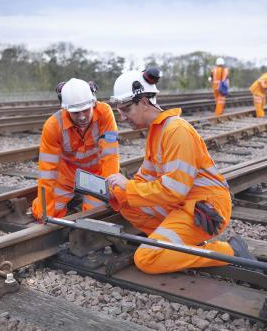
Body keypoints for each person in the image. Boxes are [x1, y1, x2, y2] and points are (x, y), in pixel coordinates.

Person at [106, 67, 255, 275]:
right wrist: (117, 190)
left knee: (146, 259)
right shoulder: (156, 132)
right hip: (183, 203)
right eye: (119, 111)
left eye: (126, 109)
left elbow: (173, 190)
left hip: (205, 208)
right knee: (125, 201)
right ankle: (170, 242)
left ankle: (231, 252)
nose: (122, 117)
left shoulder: (176, 131)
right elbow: (145, 177)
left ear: (144, 102)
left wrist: (128, 186)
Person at [31, 78, 119, 220]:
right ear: (65, 109)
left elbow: (110, 156)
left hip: (97, 175)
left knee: (94, 214)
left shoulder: (104, 113)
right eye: (76, 113)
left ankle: (80, 203)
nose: (82, 117)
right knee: (47, 212)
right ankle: (41, 205)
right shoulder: (53, 125)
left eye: (85, 110)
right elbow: (47, 172)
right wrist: (44, 210)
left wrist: (110, 188)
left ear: (93, 102)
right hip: (67, 177)